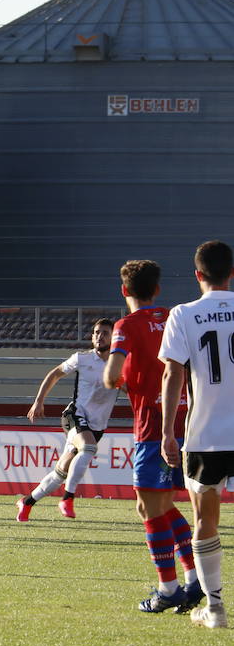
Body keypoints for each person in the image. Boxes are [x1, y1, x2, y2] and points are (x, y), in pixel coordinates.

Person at [102, 260, 201, 613]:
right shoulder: (177, 317)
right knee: (161, 505)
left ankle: (169, 588)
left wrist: (124, 375)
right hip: (187, 420)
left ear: (124, 290)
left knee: (149, 508)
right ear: (157, 289)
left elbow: (112, 378)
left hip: (152, 427)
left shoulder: (125, 325)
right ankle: (193, 580)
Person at [160, 240, 234, 629]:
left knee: (205, 518)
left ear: (198, 275)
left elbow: (172, 373)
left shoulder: (184, 314)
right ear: (232, 272)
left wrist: (168, 432)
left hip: (205, 434)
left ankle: (216, 609)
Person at [20, 319, 118, 520]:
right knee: (89, 448)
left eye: (105, 333)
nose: (100, 336)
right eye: (96, 332)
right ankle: (67, 498)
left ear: (114, 337)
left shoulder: (121, 364)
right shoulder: (82, 359)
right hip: (74, 415)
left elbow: (130, 389)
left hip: (97, 425)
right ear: (92, 337)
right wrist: (38, 402)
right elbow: (55, 374)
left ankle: (27, 501)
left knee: (62, 471)